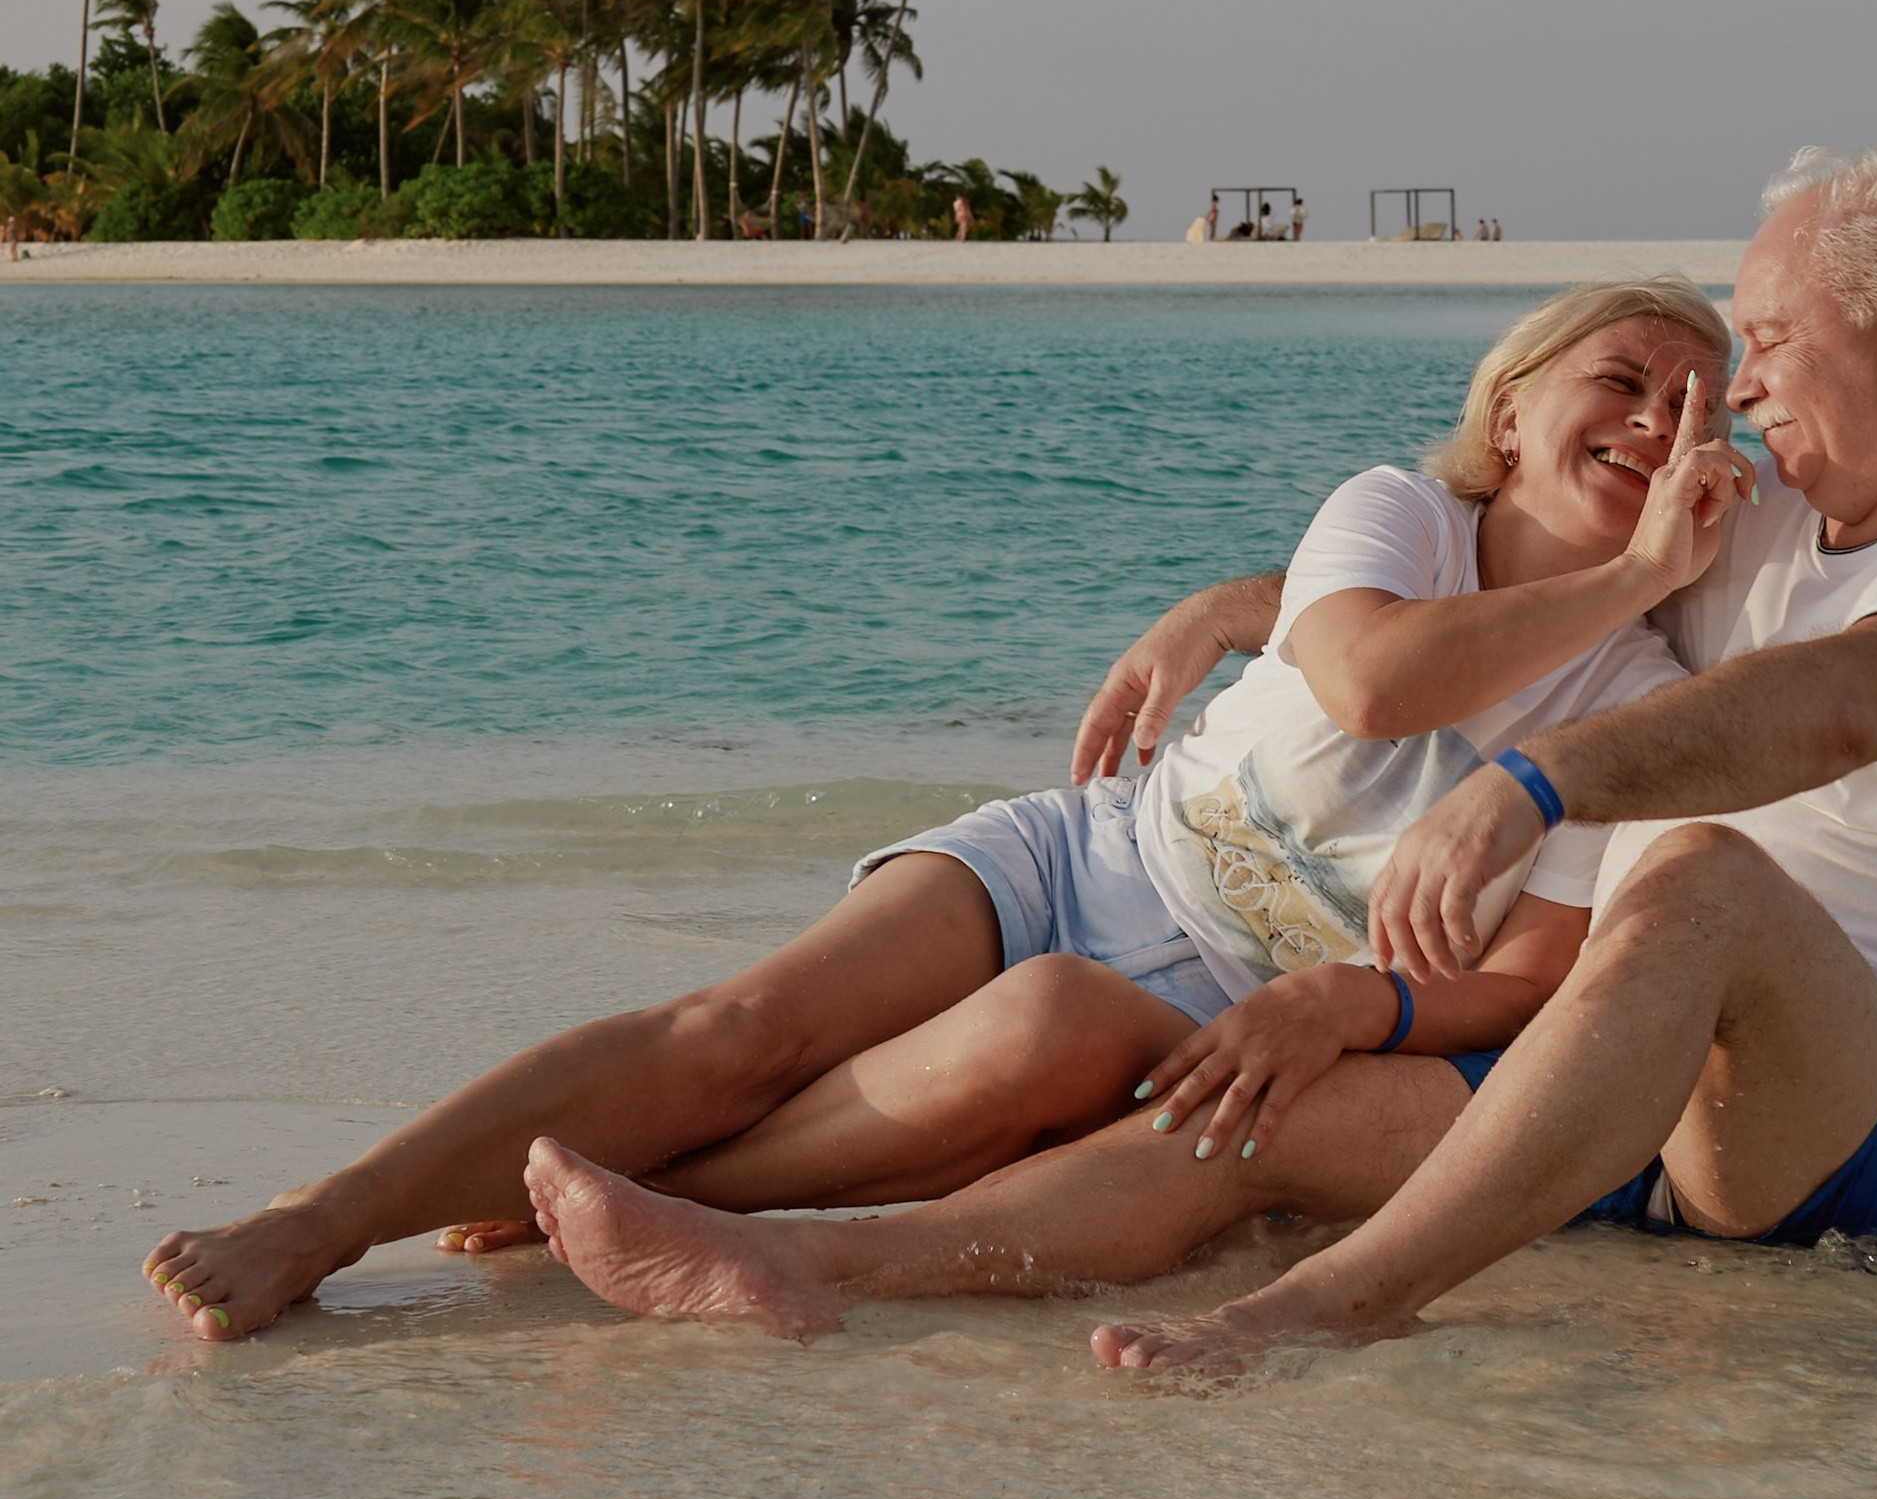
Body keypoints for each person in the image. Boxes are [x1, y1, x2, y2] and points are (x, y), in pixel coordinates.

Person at [503, 147, 1877, 1365]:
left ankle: (1325, 1313)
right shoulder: (1756, 511)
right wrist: (1244, 609)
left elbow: (1844, 704)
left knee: (1706, 873)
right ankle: (803, 1264)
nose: (1742, 391)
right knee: (1239, 1109)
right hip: (1634, 1065)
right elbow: (1516, 556)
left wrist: (1534, 785)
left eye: (1767, 342)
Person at [143, 283, 1746, 1339]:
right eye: (1624, 381)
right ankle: (329, 1215)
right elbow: (1375, 680)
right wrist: (1631, 568)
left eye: (1699, 409)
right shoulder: (1393, 513)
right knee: (737, 1028)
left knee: (1043, 1022)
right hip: (1094, 850)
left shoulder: (1645, 704)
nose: (1657, 422)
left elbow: (1540, 974)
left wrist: (1355, 999)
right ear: (1517, 401)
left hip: (1222, 1006)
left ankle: (650, 1207)